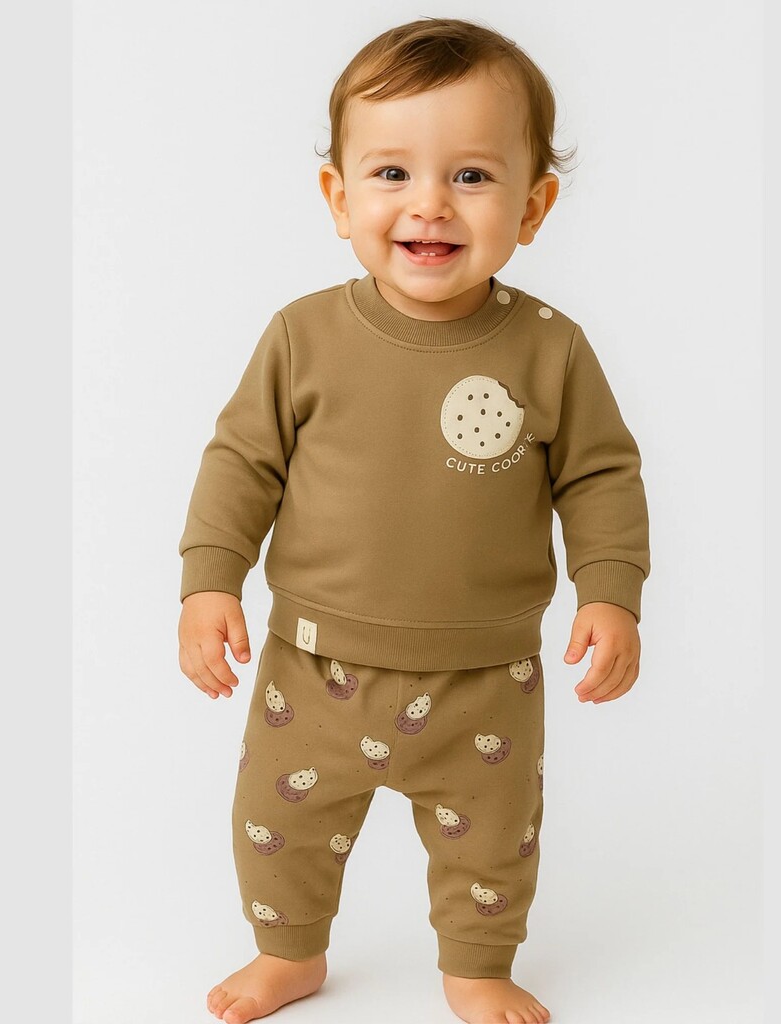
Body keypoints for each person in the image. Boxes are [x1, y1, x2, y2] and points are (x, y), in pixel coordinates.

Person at [177, 16, 650, 1024]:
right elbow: (241, 463)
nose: (429, 202)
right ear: (338, 196)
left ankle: (476, 966)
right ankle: (288, 952)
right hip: (312, 668)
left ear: (533, 206)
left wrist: (611, 592)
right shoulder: (302, 336)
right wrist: (210, 579)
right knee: (276, 825)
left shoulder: (551, 350)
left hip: (485, 678)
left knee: (494, 841)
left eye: (471, 176)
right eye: (391, 172)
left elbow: (601, 476)